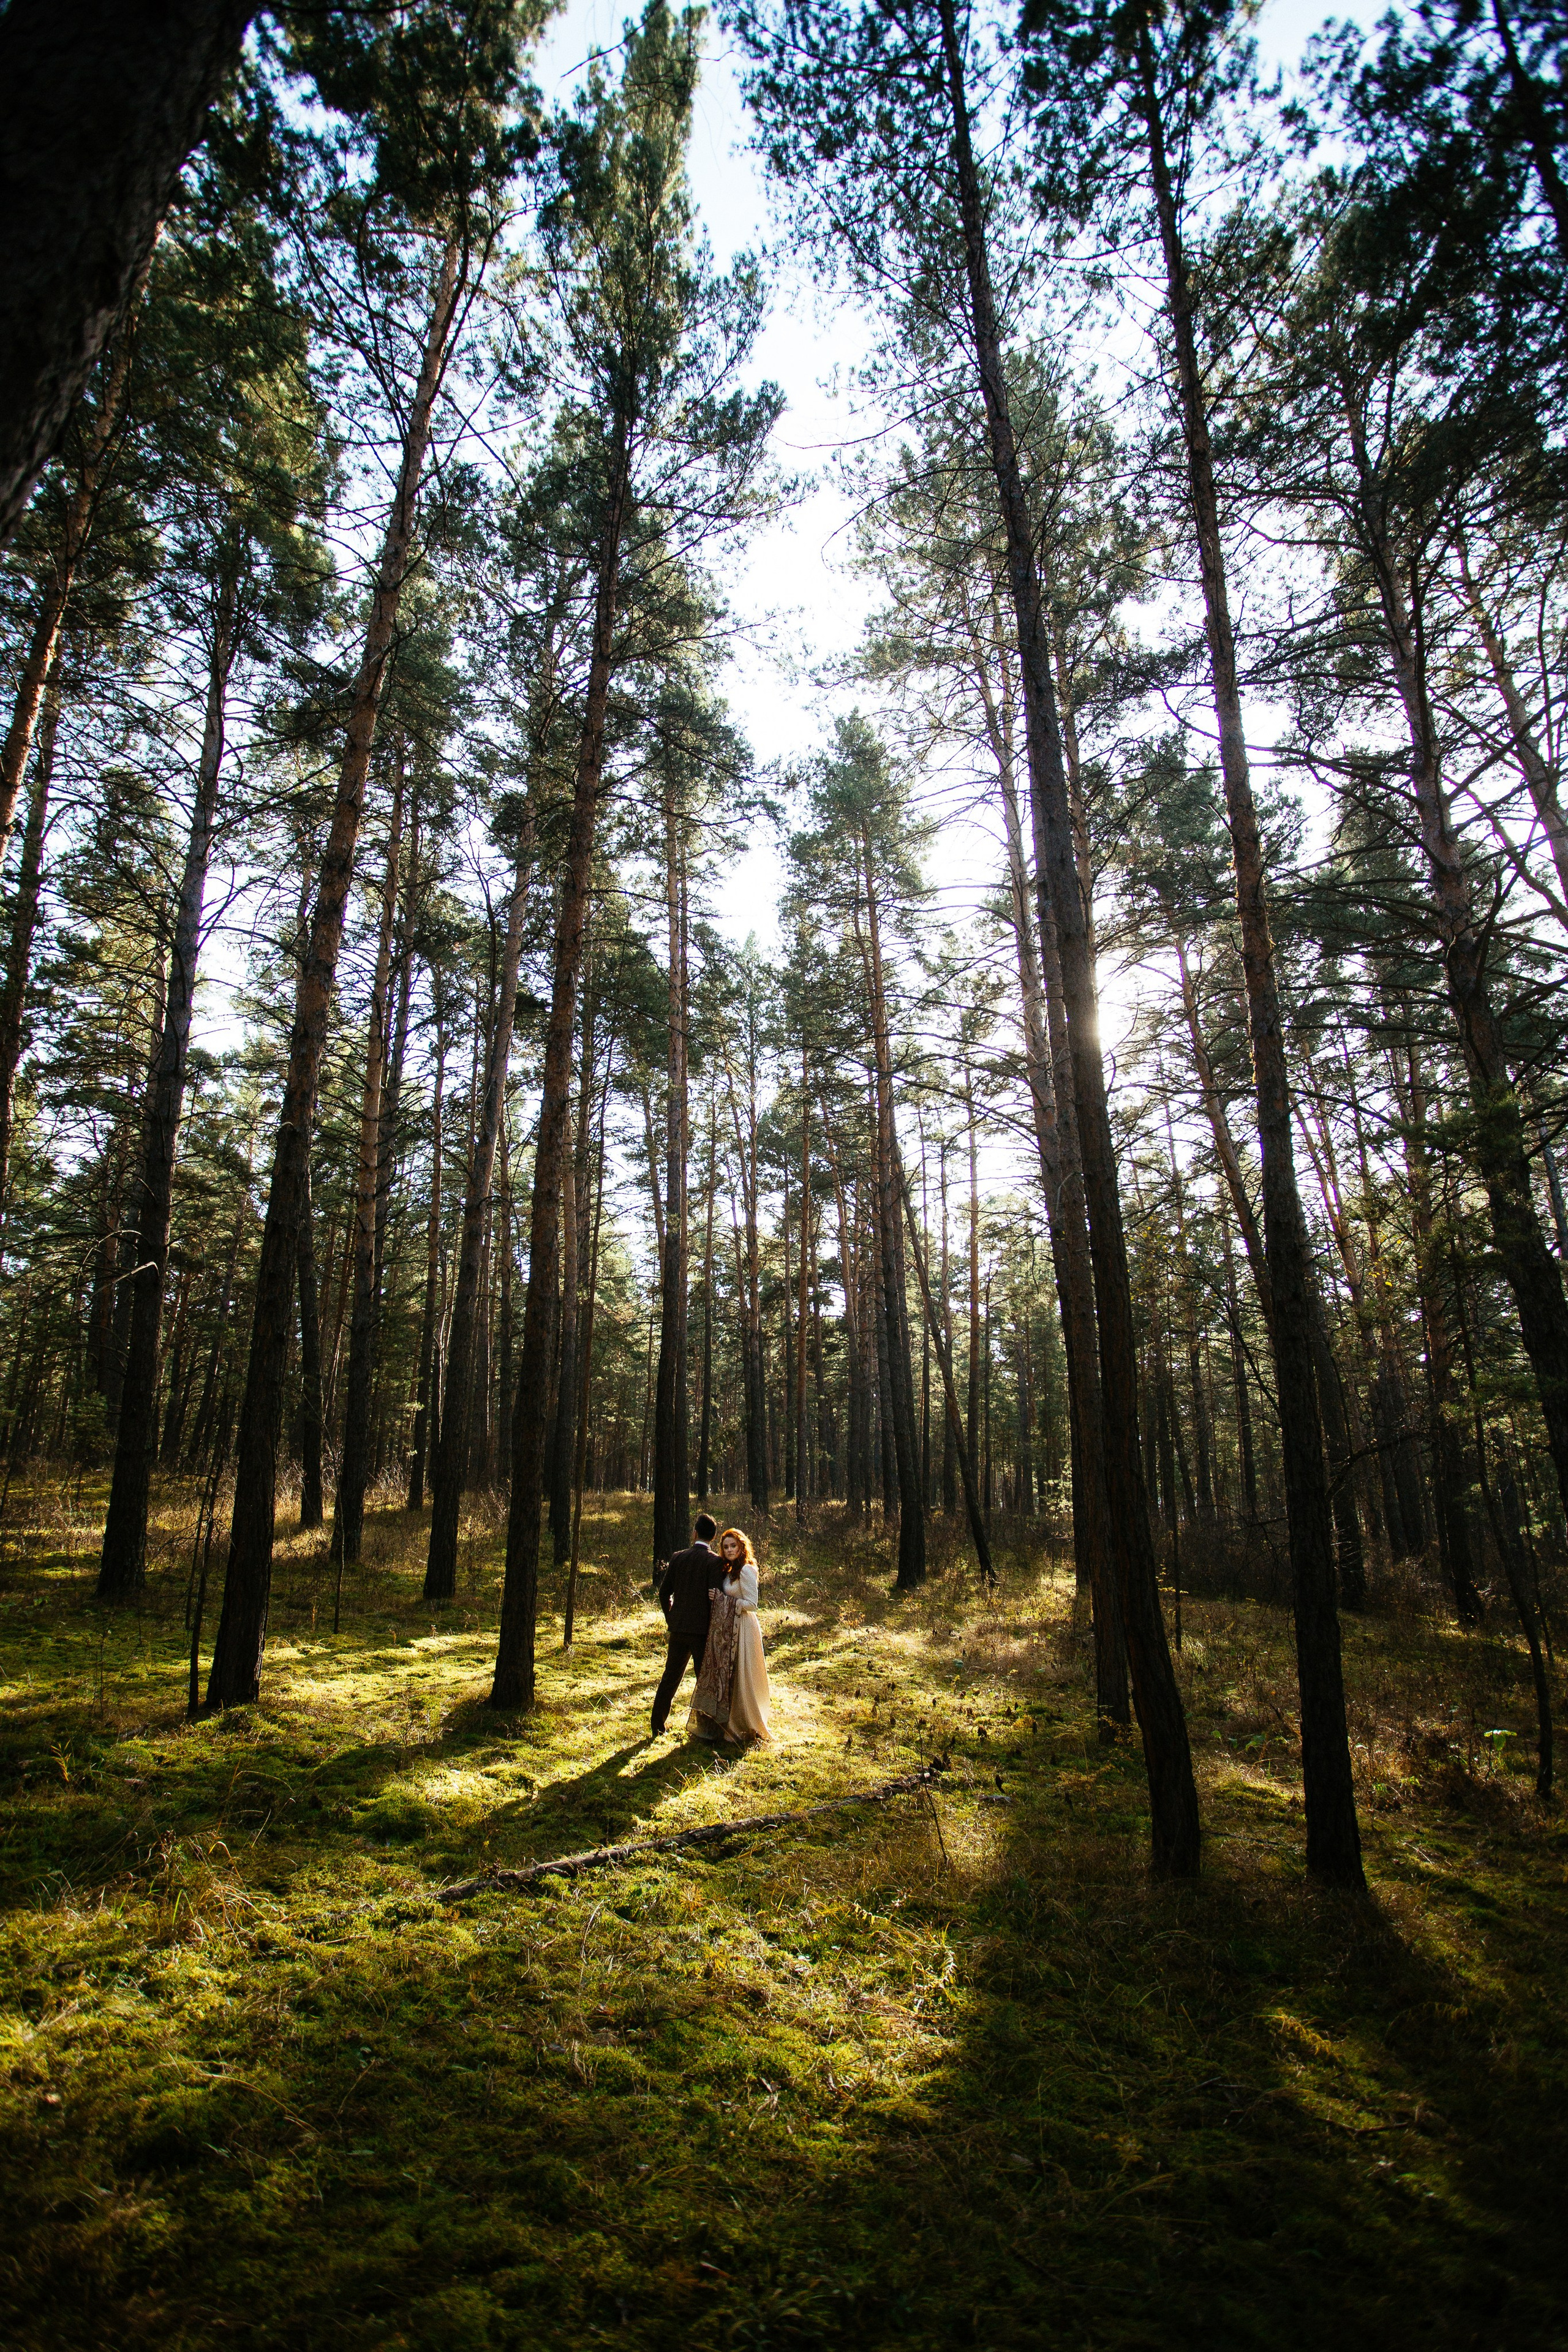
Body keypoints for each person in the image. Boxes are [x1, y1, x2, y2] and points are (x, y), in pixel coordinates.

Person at [651, 1512, 725, 1736]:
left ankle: (657, 1725)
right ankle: (705, 1728)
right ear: (713, 1537)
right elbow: (716, 1597)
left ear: (695, 1533)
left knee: (670, 1678)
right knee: (705, 1682)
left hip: (679, 1628)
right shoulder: (716, 1562)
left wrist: (671, 1617)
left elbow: (664, 1593)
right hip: (702, 1632)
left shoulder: (678, 1557)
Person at [718, 1526, 771, 1743]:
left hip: (745, 1627)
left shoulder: (747, 1570)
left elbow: (752, 1604)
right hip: (732, 1625)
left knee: (744, 1672)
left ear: (742, 1547)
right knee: (733, 1674)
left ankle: (748, 1722)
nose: (730, 1550)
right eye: (726, 1547)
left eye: (734, 1546)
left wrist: (726, 1602)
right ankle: (732, 1720)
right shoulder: (729, 1570)